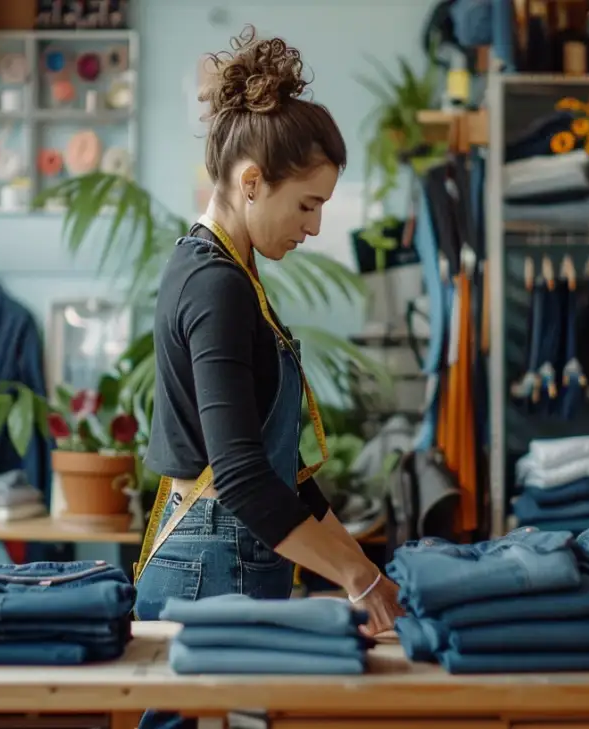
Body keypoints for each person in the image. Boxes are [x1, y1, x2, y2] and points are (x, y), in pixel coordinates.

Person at [132, 26, 403, 723]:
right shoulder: (216, 285)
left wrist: (369, 577)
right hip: (207, 569)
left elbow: (290, 481)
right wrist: (355, 573)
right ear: (250, 181)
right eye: (307, 204)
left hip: (226, 557)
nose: (313, 228)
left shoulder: (231, 274)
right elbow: (246, 478)